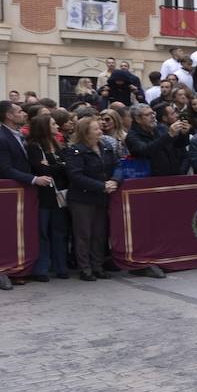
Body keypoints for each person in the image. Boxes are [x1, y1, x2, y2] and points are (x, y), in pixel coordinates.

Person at [64, 116, 122, 281]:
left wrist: (114, 180)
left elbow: (118, 165)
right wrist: (101, 185)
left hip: (101, 197)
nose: (100, 131)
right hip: (82, 198)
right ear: (86, 132)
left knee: (99, 234)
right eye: (96, 129)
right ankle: (85, 268)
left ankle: (97, 266)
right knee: (83, 234)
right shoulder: (75, 150)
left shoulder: (105, 147)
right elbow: (76, 176)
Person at [25, 112, 71, 281]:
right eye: (53, 124)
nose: (57, 126)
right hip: (44, 197)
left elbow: (65, 167)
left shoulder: (58, 144)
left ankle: (61, 267)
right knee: (43, 232)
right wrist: (60, 166)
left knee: (60, 232)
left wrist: (55, 166)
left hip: (60, 196)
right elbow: (42, 171)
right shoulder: (34, 146)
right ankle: (41, 268)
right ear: (44, 127)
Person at [125, 103, 191, 177]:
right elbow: (145, 151)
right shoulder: (132, 136)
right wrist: (169, 135)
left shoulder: (161, 128)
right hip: (150, 178)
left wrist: (183, 134)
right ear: (138, 119)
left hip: (172, 175)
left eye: (153, 113)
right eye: (148, 115)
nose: (153, 116)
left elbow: (179, 145)